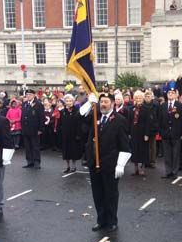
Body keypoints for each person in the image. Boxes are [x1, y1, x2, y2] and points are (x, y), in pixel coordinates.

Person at [80, 93, 131, 232]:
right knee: (97, 193)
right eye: (101, 102)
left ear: (112, 103)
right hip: (94, 162)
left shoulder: (119, 120)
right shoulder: (95, 117)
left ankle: (112, 221)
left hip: (110, 163)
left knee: (111, 193)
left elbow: (124, 144)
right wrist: (89, 103)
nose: (103, 104)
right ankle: (101, 220)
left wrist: (121, 164)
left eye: (106, 102)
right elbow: (80, 117)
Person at [159, 88, 182, 179]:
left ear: (176, 95)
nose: (170, 94)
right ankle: (168, 171)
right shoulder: (163, 105)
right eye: (169, 93)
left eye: (172, 93)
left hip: (176, 133)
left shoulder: (179, 105)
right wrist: (161, 132)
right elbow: (160, 120)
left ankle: (174, 172)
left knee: (176, 153)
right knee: (167, 153)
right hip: (165, 133)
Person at [21, 89, 45, 169]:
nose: (28, 96)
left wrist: (40, 129)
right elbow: (23, 116)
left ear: (34, 95)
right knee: (27, 147)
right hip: (26, 129)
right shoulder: (24, 104)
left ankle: (37, 162)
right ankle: (29, 161)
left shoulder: (38, 104)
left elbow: (42, 118)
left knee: (35, 146)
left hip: (35, 129)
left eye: (30, 94)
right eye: (27, 94)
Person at [129, 90, 150, 176]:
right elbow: (129, 121)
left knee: (142, 150)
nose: (138, 99)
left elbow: (148, 122)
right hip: (134, 131)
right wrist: (129, 132)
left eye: (140, 98)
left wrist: (147, 134)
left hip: (142, 132)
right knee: (134, 149)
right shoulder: (131, 108)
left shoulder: (146, 108)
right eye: (137, 97)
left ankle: (142, 168)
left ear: (143, 98)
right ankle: (135, 168)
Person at [61, 94, 83, 173]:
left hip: (74, 134)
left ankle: (74, 166)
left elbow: (79, 123)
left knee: (73, 150)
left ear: (73, 102)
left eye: (70, 101)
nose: (68, 102)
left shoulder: (77, 111)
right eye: (67, 101)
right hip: (65, 134)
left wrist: (78, 134)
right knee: (66, 151)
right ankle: (67, 166)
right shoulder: (63, 111)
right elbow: (61, 124)